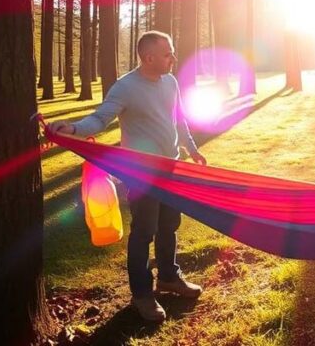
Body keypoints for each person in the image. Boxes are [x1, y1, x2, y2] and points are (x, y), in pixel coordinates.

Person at [49, 31, 206, 322]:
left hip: (171, 167)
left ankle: (170, 277)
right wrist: (72, 129)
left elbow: (179, 118)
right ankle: (142, 296)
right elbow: (100, 118)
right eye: (168, 53)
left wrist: (192, 150)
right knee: (144, 231)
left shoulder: (170, 81)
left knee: (169, 225)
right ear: (149, 58)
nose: (173, 58)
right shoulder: (126, 87)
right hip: (142, 174)